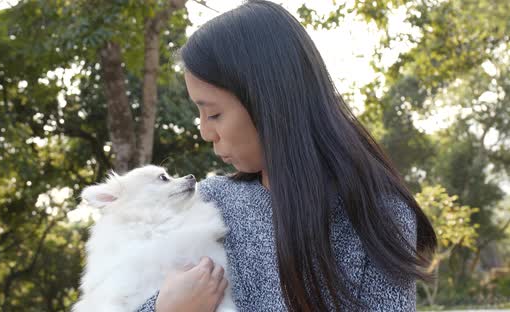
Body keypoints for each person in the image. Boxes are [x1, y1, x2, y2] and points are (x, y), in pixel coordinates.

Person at [135, 0, 437, 311]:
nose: (204, 132)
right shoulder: (208, 205)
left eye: (213, 114)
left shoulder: (379, 215)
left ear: (270, 104)